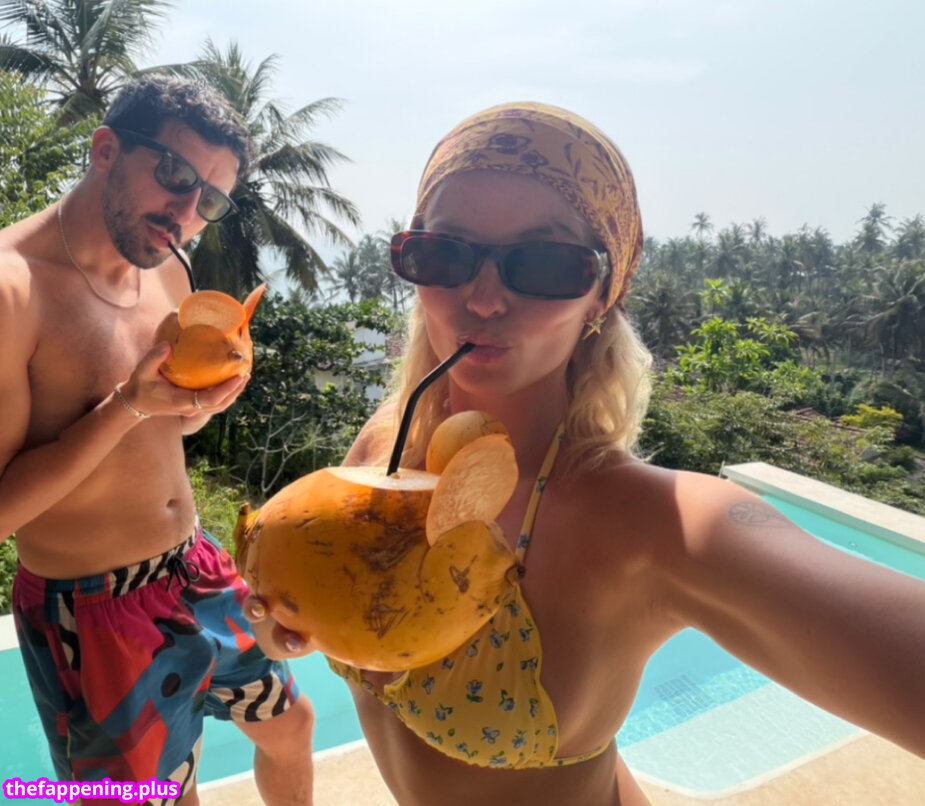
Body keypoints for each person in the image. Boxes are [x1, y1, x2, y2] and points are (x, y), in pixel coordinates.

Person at [248, 102, 925, 806]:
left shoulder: (648, 524)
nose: (484, 299)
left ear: (602, 292)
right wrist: (289, 620)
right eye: (444, 253)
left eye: (543, 263)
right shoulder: (387, 443)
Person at [0, 75, 314, 805]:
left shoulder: (168, 269)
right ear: (106, 149)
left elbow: (169, 420)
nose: (187, 211)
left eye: (210, 199)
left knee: (292, 725)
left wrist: (201, 403)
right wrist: (128, 407)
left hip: (193, 567)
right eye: (175, 174)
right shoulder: (14, 290)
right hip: (91, 609)